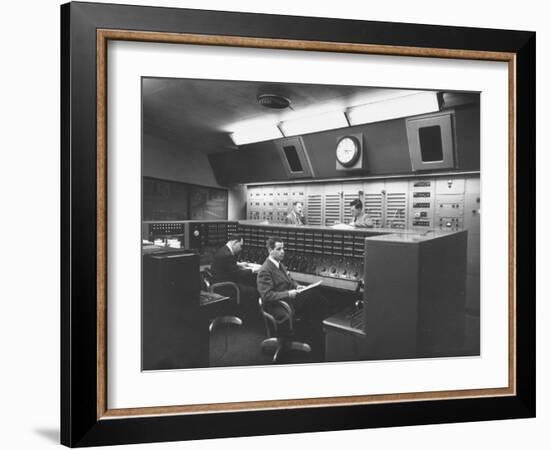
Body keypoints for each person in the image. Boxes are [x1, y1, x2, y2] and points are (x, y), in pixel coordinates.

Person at [256, 236, 330, 359]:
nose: (282, 251)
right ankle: (317, 339)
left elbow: (289, 280)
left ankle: (317, 335)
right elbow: (266, 295)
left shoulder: (279, 265)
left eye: (283, 248)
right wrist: (288, 293)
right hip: (278, 305)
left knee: (317, 298)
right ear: (270, 250)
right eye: (279, 249)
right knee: (316, 300)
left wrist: (298, 286)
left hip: (288, 300)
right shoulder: (265, 269)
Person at [210, 234, 258, 312]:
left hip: (219, 284)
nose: (241, 249)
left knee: (246, 285)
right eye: (240, 246)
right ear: (235, 242)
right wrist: (253, 270)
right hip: (226, 287)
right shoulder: (227, 255)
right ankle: (249, 317)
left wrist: (238, 264)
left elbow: (226, 265)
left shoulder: (223, 250)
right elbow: (238, 274)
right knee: (253, 291)